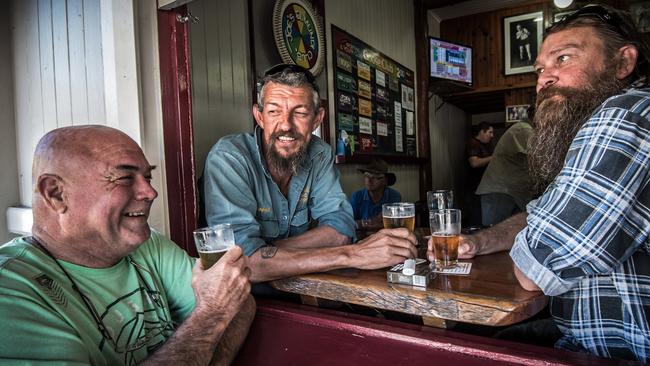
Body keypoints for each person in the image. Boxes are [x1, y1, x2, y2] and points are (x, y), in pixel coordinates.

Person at [432, 4, 650, 362]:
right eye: (540, 69)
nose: (544, 78)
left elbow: (535, 270)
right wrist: (482, 240)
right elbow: (547, 213)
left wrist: (533, 238)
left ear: (623, 63)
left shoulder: (623, 116)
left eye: (563, 58)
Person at [0, 126, 255, 365]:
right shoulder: (12, 290)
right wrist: (211, 316)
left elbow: (239, 302)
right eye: (124, 178)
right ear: (55, 193)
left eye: (147, 177)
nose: (150, 192)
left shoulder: (146, 245)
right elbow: (221, 306)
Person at [203, 64, 417, 283]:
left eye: (300, 113)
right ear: (259, 117)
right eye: (274, 111)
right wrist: (353, 254)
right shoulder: (230, 158)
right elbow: (241, 263)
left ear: (316, 119)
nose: (285, 125)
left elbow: (341, 228)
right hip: (247, 299)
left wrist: (266, 251)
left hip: (305, 288)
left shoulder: (319, 154)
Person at [476, 108, 535, 226]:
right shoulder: (523, 129)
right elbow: (541, 156)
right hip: (500, 191)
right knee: (493, 238)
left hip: (511, 192)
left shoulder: (527, 129)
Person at [349, 158, 402, 229]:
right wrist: (372, 221)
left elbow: (395, 224)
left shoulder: (394, 196)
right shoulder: (357, 196)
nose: (369, 180)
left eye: (376, 177)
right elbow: (349, 224)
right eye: (367, 175)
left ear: (385, 181)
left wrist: (363, 223)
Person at [464, 121, 494, 226]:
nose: (492, 135)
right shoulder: (473, 143)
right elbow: (474, 163)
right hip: (474, 187)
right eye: (490, 132)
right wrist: (493, 158)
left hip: (483, 187)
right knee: (476, 217)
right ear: (482, 132)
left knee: (482, 216)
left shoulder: (486, 145)